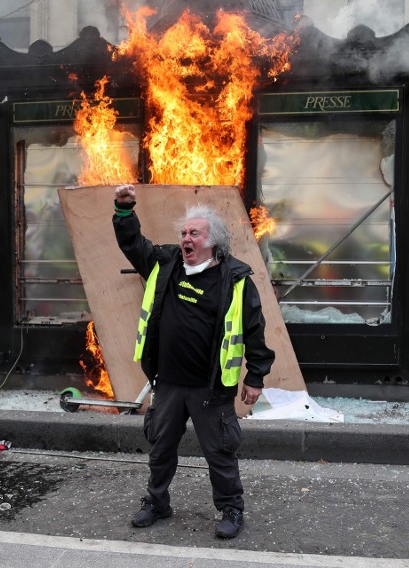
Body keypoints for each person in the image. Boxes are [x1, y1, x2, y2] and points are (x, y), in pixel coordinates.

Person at [113, 184, 275, 539]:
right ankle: (157, 502)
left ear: (212, 241)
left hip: (210, 387)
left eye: (194, 233)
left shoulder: (234, 280)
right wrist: (124, 211)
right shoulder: (167, 262)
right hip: (168, 381)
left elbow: (254, 330)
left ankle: (231, 508)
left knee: (219, 452)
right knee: (160, 448)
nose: (186, 238)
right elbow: (133, 244)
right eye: (183, 233)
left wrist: (256, 376)